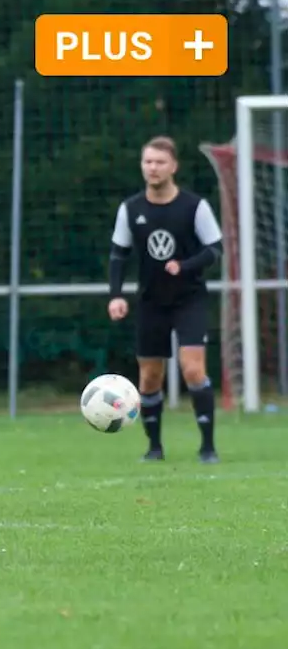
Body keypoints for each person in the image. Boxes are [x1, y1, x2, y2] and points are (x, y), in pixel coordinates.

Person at [108, 135, 223, 463]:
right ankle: (154, 448)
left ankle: (208, 447)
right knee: (149, 377)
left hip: (189, 299)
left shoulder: (194, 206)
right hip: (150, 303)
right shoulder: (131, 209)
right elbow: (119, 255)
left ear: (173, 166)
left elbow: (215, 249)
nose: (153, 168)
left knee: (193, 370)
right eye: (148, 162)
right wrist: (115, 295)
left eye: (159, 162)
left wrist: (184, 266)